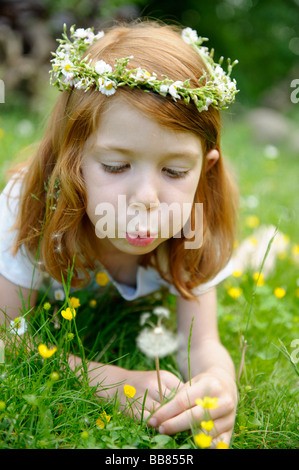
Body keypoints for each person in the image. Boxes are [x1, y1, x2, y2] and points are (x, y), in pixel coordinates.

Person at [0, 20, 239, 445]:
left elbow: (201, 342)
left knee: (249, 259)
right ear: (68, 160)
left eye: (175, 171)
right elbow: (5, 336)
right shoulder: (28, 210)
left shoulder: (193, 223)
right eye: (115, 166)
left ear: (206, 170)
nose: (145, 197)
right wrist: (108, 378)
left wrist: (218, 381)